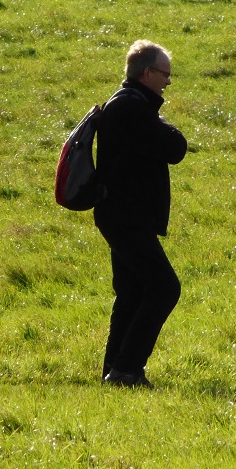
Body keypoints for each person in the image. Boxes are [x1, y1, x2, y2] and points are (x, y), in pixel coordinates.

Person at [94, 40, 189, 387]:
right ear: (147, 73)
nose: (168, 82)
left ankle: (115, 370)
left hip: (121, 215)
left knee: (133, 292)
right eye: (165, 74)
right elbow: (175, 148)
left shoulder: (129, 105)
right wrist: (162, 121)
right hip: (126, 218)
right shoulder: (132, 108)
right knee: (165, 288)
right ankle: (127, 369)